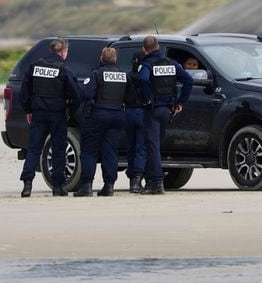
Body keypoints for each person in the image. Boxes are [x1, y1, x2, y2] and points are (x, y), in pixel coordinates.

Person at [19, 38, 80, 197]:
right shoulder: (64, 69)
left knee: (33, 149)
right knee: (58, 150)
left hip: (38, 113)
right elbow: (76, 94)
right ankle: (58, 187)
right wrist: (70, 111)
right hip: (57, 115)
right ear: (64, 52)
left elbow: (24, 91)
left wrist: (28, 110)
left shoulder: (35, 66)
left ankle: (27, 185)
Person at [138, 35, 193, 195]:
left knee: (152, 147)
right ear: (158, 47)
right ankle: (151, 181)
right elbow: (189, 81)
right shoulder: (172, 64)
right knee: (155, 146)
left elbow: (142, 80)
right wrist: (180, 103)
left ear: (144, 49)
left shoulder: (147, 64)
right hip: (167, 110)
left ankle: (156, 183)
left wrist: (147, 99)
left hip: (153, 110)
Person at [75, 47, 127, 197]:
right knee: (110, 152)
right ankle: (109, 186)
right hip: (117, 116)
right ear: (115, 59)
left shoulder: (97, 73)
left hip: (98, 115)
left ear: (101, 59)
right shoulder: (123, 75)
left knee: (89, 151)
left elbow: (85, 93)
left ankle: (86, 186)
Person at [124, 50, 146, 193]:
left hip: (128, 113)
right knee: (141, 149)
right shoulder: (146, 76)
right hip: (143, 113)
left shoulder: (126, 76)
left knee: (131, 148)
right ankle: (137, 180)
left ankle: (132, 179)